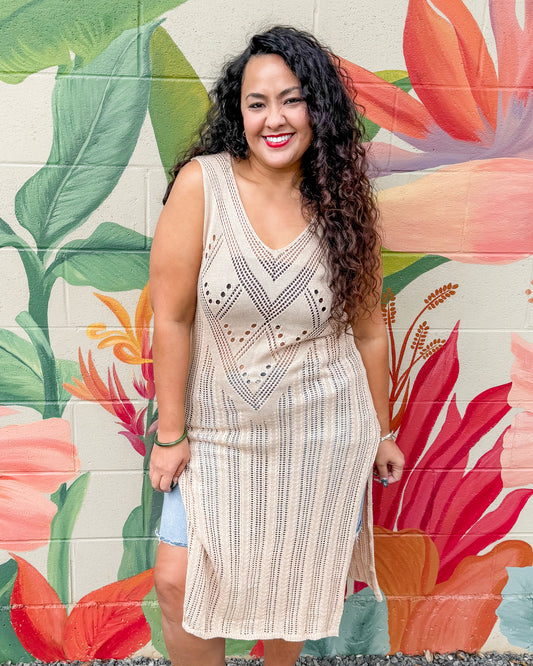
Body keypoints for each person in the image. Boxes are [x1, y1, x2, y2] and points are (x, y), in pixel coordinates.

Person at [148, 25, 404, 666]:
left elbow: (369, 331)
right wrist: (171, 435)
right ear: (239, 113)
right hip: (217, 431)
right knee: (177, 580)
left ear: (318, 108)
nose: (275, 119)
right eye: (257, 103)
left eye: (292, 100)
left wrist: (381, 432)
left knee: (295, 584)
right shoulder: (202, 185)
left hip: (323, 435)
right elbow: (172, 318)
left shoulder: (342, 204)